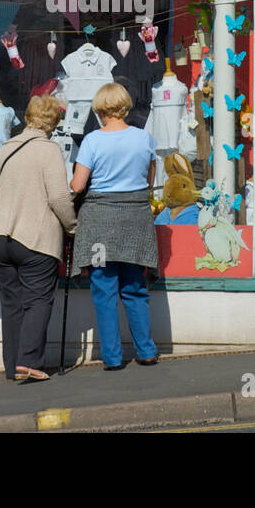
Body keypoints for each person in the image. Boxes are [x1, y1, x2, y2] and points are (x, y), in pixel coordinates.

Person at [0, 95, 77, 383]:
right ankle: (29, 362)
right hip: (35, 237)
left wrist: (4, 202)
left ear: (27, 117)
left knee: (11, 301)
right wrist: (72, 226)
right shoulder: (49, 150)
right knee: (38, 299)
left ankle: (13, 366)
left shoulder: (8, 146)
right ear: (53, 122)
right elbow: (60, 197)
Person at [69, 82, 160, 370]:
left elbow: (78, 185)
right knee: (134, 287)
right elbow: (148, 181)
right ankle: (146, 351)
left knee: (104, 290)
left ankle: (111, 357)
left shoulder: (93, 141)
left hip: (99, 225)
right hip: (135, 222)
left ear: (99, 109)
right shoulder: (144, 138)